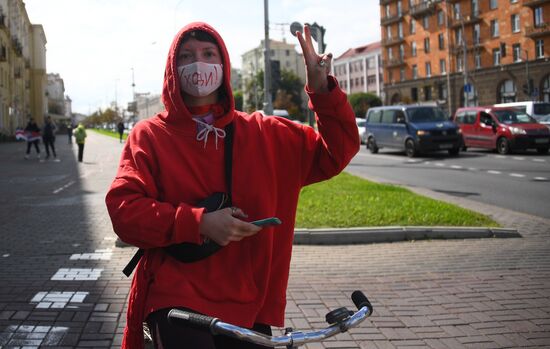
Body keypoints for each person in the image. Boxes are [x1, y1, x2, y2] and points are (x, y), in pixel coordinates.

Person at [105, 22, 359, 349]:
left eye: (208, 53)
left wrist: (322, 91)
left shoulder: (266, 134)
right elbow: (125, 211)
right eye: (186, 56)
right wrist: (198, 222)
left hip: (248, 302)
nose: (198, 63)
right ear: (172, 68)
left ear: (223, 65)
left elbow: (336, 152)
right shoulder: (150, 135)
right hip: (175, 297)